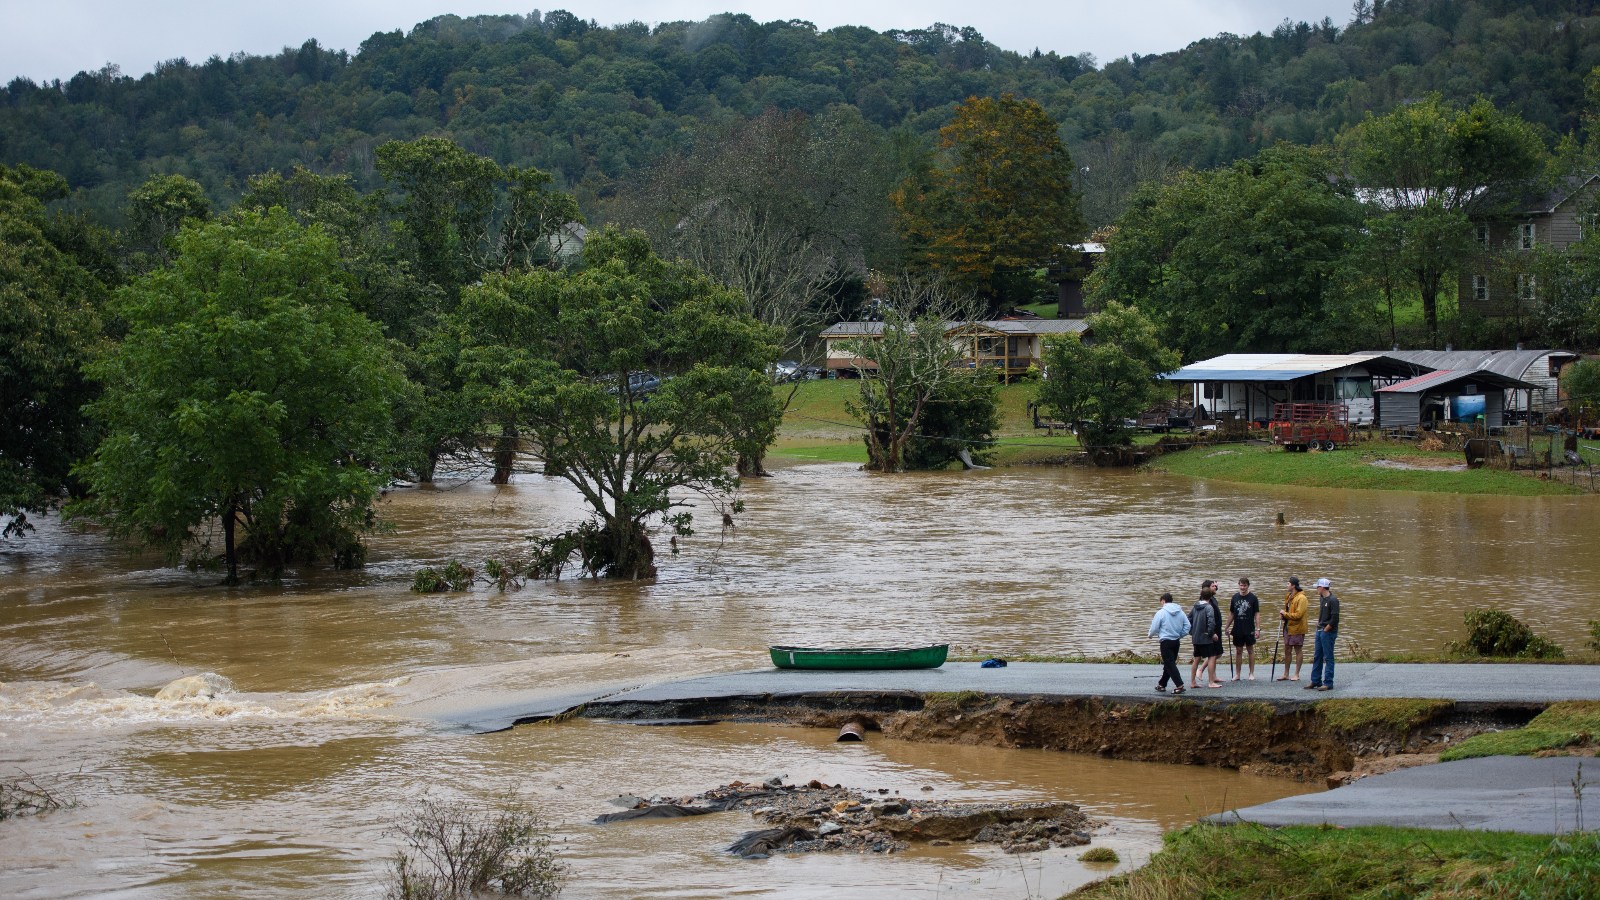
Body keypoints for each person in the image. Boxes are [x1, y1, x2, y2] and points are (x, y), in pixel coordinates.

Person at [1147, 592, 1191, 694]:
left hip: (1165, 641)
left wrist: (1150, 635)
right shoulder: (1180, 612)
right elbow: (1188, 626)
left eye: (1161, 602)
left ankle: (1179, 685)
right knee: (1169, 663)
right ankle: (1162, 684)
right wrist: (1180, 635)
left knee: (1170, 664)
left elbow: (1154, 627)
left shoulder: (1161, 612)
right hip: (1176, 641)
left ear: (1163, 601)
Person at [1306, 577, 1341, 691]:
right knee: (1317, 656)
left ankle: (1328, 682)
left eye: (1317, 587)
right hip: (1320, 630)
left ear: (1322, 587)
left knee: (1328, 657)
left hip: (1328, 632)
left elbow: (1335, 618)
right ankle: (1315, 680)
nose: (1316, 589)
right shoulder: (1322, 598)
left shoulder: (1333, 600)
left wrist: (1327, 628)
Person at [1189, 580, 1223, 688]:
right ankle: (1211, 682)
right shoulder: (1209, 607)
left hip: (1196, 638)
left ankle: (1192, 682)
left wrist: (1191, 632)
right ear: (1210, 597)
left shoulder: (1195, 606)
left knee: (1197, 659)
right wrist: (1211, 634)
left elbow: (1188, 619)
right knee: (1212, 656)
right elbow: (1211, 622)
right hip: (1206, 638)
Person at [1226, 577, 1261, 681]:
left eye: (1245, 585)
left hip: (1249, 627)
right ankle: (1237, 674)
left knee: (1250, 650)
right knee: (1238, 651)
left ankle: (1251, 673)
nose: (1243, 587)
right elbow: (1232, 613)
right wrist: (1227, 626)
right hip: (1238, 628)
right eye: (1241, 585)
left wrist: (1258, 629)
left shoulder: (1253, 598)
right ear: (1239, 585)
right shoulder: (1235, 597)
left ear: (1248, 586)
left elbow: (1257, 614)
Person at [1278, 576, 1308, 681]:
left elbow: (1299, 615)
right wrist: (1283, 616)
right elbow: (1288, 611)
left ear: (1293, 585)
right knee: (1287, 649)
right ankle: (1286, 673)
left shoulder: (1302, 598)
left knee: (1297, 649)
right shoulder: (1288, 596)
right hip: (1288, 626)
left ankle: (1296, 674)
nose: (1287, 585)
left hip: (1297, 627)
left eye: (1288, 584)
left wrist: (1285, 614)